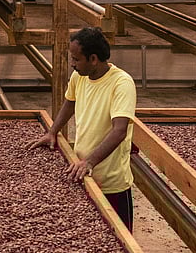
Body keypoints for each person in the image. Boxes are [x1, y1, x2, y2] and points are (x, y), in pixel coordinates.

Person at [31, 26, 137, 230]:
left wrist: (90, 161)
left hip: (111, 182)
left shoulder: (121, 83)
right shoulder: (79, 76)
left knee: (119, 240)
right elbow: (70, 102)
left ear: (94, 59)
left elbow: (119, 130)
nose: (72, 64)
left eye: (76, 59)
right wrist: (53, 132)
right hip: (81, 172)